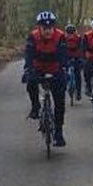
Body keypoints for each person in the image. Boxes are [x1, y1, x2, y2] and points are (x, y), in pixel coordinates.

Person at [23, 11, 68, 147]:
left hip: (55, 69)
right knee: (30, 83)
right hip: (38, 69)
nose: (47, 31)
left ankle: (59, 132)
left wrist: (63, 70)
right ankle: (35, 106)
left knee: (60, 101)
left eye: (50, 28)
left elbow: (63, 56)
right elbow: (29, 55)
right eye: (44, 28)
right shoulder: (33, 37)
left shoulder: (60, 36)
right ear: (39, 28)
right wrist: (28, 70)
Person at [63, 23, 82, 101]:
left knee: (64, 73)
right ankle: (78, 92)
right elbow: (81, 48)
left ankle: (64, 89)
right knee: (78, 75)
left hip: (67, 57)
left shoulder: (63, 38)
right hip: (76, 57)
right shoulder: (78, 38)